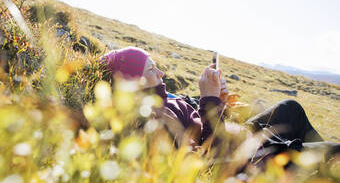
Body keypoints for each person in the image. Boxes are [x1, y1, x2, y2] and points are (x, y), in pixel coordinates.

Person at [100, 46, 338, 159]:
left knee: (289, 107)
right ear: (135, 81)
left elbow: (202, 122)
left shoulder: (165, 99)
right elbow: (211, 154)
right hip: (247, 156)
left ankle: (313, 166)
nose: (161, 73)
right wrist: (210, 100)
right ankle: (310, 170)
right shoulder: (153, 119)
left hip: (238, 133)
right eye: (152, 69)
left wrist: (219, 102)